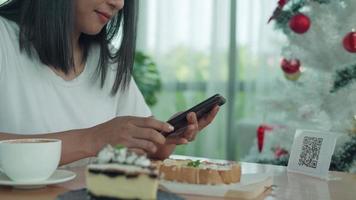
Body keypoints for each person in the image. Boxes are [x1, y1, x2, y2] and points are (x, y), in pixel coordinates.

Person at [0, 0, 220, 165]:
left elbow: (146, 149)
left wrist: (165, 137)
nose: (119, 3)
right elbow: (100, 139)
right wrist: (93, 140)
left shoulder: (107, 61)